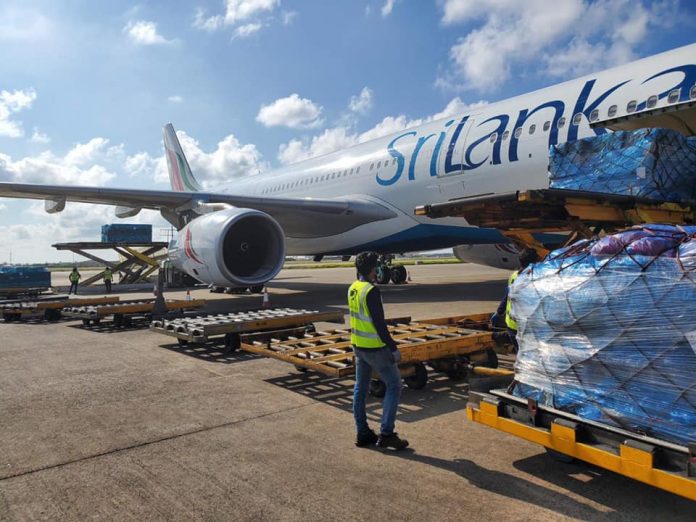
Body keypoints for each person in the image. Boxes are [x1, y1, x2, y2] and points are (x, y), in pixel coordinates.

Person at [349, 251, 409, 450]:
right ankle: (386, 434)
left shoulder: (353, 288)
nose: (377, 271)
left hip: (358, 347)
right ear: (372, 268)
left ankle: (362, 432)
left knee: (360, 389)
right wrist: (393, 348)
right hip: (375, 348)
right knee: (394, 385)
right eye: (376, 267)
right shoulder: (371, 291)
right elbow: (379, 324)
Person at [491, 249, 539, 352]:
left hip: (512, 324)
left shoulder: (514, 276)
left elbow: (507, 296)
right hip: (527, 326)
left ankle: (496, 337)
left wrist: (499, 312)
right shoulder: (536, 277)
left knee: (521, 353)